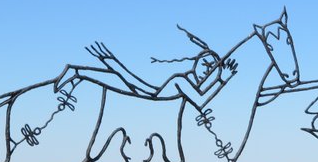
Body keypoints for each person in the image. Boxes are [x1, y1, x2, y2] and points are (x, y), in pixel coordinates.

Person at [57, 28, 238, 111]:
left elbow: (200, 94)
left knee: (120, 79)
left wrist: (114, 64)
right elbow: (200, 101)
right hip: (146, 99)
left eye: (211, 69)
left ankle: (80, 71)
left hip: (146, 96)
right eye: (205, 65)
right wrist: (224, 79)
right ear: (196, 63)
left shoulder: (187, 83)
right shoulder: (181, 81)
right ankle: (79, 71)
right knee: (123, 82)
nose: (207, 71)